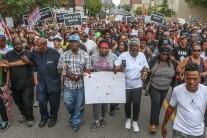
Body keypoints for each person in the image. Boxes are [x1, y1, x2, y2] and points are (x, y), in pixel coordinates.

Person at [8, 38, 61, 128]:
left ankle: (53, 118)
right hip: (41, 83)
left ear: (45, 45)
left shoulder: (55, 53)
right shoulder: (35, 53)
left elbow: (61, 67)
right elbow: (31, 63)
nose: (36, 47)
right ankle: (44, 117)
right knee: (41, 101)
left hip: (53, 83)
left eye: (39, 45)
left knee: (54, 103)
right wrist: (27, 61)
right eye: (36, 45)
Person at [161, 63, 207, 138]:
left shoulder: (205, 91)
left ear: (199, 77)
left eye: (195, 78)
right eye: (188, 78)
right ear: (184, 77)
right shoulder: (177, 90)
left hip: (198, 133)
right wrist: (164, 125)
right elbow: (170, 108)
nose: (191, 81)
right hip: (179, 131)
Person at [58, 34, 91, 132]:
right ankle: (75, 114)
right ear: (69, 43)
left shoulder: (85, 55)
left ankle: (75, 122)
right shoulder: (64, 55)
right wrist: (68, 75)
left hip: (81, 85)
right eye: (71, 42)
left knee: (79, 105)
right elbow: (59, 69)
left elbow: (88, 70)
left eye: (75, 41)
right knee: (68, 103)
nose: (73, 44)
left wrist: (79, 75)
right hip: (68, 84)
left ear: (79, 43)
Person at [114, 38, 149, 132]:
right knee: (127, 103)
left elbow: (145, 66)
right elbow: (116, 66)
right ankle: (128, 119)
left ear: (139, 47)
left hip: (137, 83)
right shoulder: (123, 55)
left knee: (137, 103)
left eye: (136, 48)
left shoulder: (142, 55)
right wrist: (120, 68)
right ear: (129, 48)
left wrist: (145, 72)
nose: (134, 50)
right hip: (125, 83)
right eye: (132, 48)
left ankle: (135, 121)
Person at [5, 37, 35, 127]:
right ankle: (24, 114)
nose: (17, 46)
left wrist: (28, 61)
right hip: (14, 83)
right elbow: (7, 69)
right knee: (18, 102)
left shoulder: (28, 53)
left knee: (27, 101)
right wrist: (7, 82)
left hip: (27, 83)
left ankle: (30, 118)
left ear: (22, 44)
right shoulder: (8, 54)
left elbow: (31, 64)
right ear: (12, 45)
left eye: (19, 44)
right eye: (15, 44)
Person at [147, 46, 177, 134]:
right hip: (154, 86)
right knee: (155, 103)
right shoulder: (154, 61)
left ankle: (155, 120)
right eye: (163, 54)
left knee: (160, 104)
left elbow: (178, 69)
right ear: (160, 54)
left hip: (165, 87)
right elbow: (147, 69)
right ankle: (153, 124)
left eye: (166, 54)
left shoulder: (172, 63)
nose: (164, 56)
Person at [90, 40, 117, 130]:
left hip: (108, 84)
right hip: (96, 83)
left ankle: (102, 118)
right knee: (96, 103)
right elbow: (88, 68)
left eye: (106, 48)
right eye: (102, 48)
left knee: (105, 103)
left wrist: (117, 69)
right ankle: (96, 121)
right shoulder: (93, 57)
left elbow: (117, 68)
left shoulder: (114, 57)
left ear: (109, 49)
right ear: (98, 48)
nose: (104, 49)